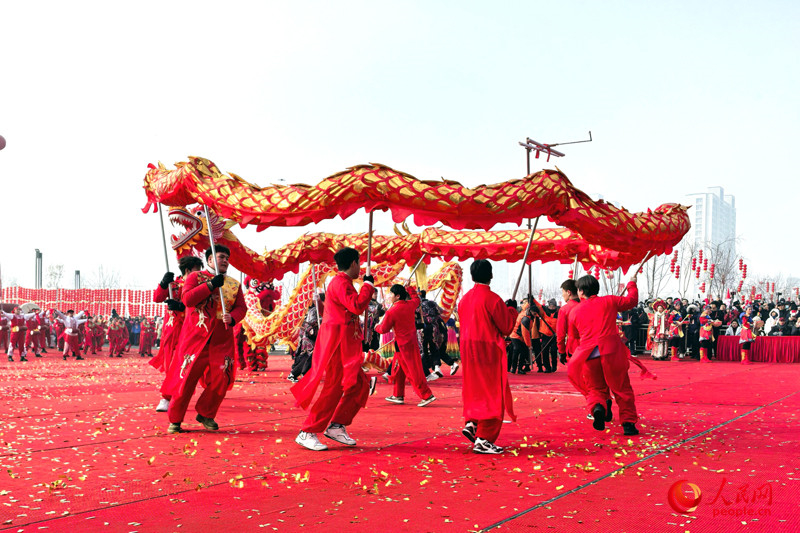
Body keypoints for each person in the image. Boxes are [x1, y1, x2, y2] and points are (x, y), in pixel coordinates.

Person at [291, 247, 375, 451]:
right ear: (354, 263)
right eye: (359, 263)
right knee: (334, 387)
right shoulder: (339, 283)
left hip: (347, 343)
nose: (361, 268)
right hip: (338, 344)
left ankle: (337, 425)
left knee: (359, 384)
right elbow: (356, 306)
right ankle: (308, 430)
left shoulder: (343, 283)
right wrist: (368, 286)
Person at [164, 245, 247, 434]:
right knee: (186, 379)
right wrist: (210, 285)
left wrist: (233, 317)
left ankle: (206, 413)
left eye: (227, 257)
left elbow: (242, 308)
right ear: (209, 260)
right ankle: (175, 420)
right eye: (220, 257)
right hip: (196, 338)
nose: (225, 260)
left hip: (221, 339)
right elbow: (187, 300)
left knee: (222, 378)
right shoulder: (196, 277)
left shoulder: (234, 284)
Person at [567, 272, 641, 436]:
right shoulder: (610, 300)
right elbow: (632, 301)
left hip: (590, 351)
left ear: (580, 291)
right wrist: (631, 284)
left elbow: (574, 336)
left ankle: (598, 407)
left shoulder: (574, 311)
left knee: (595, 387)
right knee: (621, 387)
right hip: (610, 349)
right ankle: (628, 424)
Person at [458, 259, 518, 454]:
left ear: (472, 275)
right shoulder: (493, 299)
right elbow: (506, 327)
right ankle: (484, 438)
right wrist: (511, 310)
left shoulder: (464, 299)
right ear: (491, 275)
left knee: (474, 388)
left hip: (468, 349)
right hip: (488, 350)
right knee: (493, 392)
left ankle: (472, 422)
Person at [375, 284, 435, 407]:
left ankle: (426, 395)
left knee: (412, 371)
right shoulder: (410, 305)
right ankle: (398, 395)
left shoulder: (392, 311)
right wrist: (410, 289)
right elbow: (417, 299)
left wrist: (376, 327)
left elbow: (383, 329)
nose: (389, 296)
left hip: (403, 345)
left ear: (397, 296)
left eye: (391, 294)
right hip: (407, 342)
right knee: (397, 369)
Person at [288, 294, 324, 383]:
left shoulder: (320, 310)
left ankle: (305, 374)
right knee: (306, 357)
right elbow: (310, 323)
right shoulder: (314, 311)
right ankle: (294, 374)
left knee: (311, 357)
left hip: (314, 337)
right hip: (309, 338)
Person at [556, 279, 581, 365]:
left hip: (573, 348)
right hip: (591, 347)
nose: (562, 295)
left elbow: (561, 334)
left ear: (568, 292)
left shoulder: (564, 310)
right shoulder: (588, 306)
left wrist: (561, 351)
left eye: (563, 292)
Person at [507, 299, 533, 375]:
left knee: (521, 351)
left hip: (519, 335)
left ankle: (517, 368)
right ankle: (514, 368)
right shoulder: (525, 318)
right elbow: (525, 332)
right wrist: (529, 345)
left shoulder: (526, 314)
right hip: (516, 335)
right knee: (517, 350)